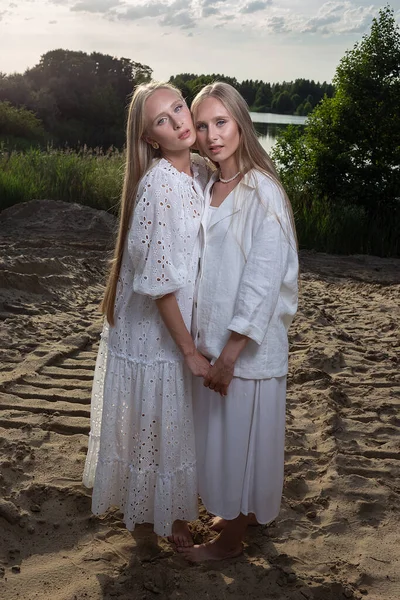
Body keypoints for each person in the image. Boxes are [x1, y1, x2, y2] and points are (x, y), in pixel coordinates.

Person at [82, 81, 211, 546]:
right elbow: (159, 284)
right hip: (152, 331)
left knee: (166, 425)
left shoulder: (196, 170)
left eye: (179, 107)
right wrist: (190, 350)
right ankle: (151, 525)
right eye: (162, 120)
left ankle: (161, 516)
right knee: (154, 425)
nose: (178, 121)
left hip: (173, 325)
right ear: (151, 138)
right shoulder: (159, 185)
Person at [180, 82, 299, 561]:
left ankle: (229, 543)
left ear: (241, 123)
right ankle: (236, 516)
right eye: (203, 125)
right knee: (227, 441)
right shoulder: (211, 185)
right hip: (213, 340)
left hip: (246, 349)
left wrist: (229, 356)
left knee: (244, 445)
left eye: (221, 123)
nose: (211, 135)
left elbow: (262, 282)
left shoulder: (262, 191)